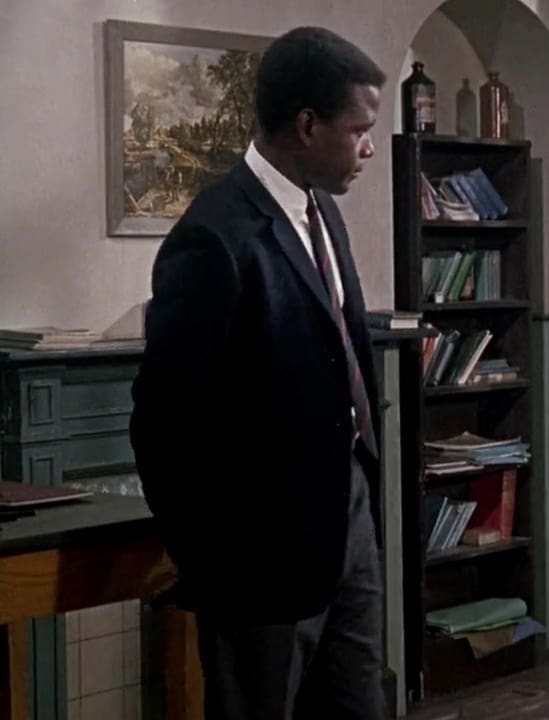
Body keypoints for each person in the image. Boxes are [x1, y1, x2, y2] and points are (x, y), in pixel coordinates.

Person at [129, 26, 388, 720]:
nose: (369, 148)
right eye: (359, 130)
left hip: (349, 522)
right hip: (259, 560)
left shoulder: (323, 214)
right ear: (307, 125)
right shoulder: (215, 235)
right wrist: (210, 563)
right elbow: (163, 420)